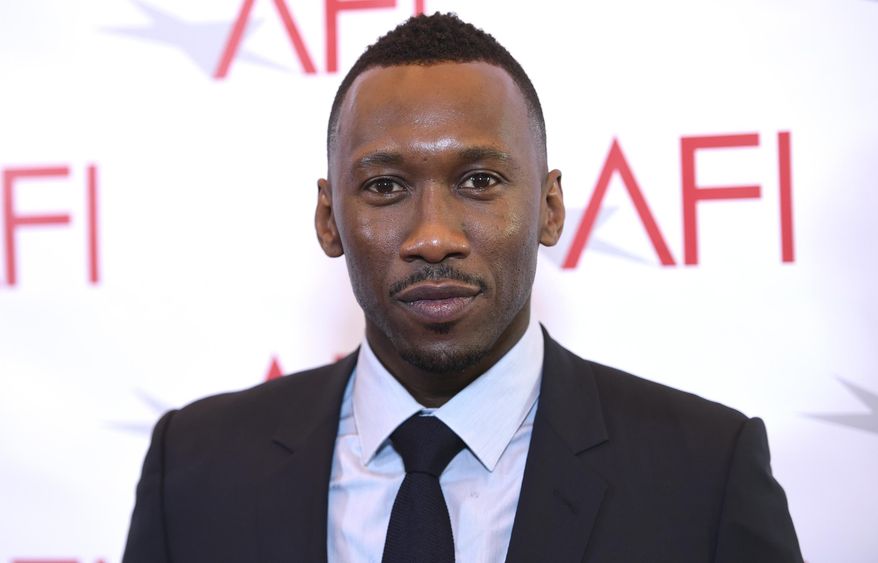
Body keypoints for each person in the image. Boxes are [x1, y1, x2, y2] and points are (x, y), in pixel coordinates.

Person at [123, 13, 803, 563]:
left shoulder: (706, 473)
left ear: (551, 206)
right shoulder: (193, 470)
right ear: (330, 220)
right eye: (385, 187)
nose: (433, 235)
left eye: (479, 181)